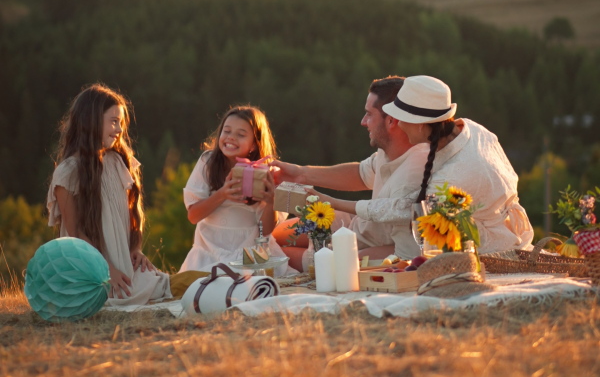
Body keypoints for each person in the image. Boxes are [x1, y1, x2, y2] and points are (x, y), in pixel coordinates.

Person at [324, 75, 534, 253]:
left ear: (421, 125)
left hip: (492, 250)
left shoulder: (456, 174)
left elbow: (402, 209)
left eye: (401, 118)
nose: (398, 124)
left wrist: (330, 201)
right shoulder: (471, 129)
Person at [273, 76, 428, 268]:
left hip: (367, 245)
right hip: (355, 225)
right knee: (276, 237)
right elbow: (360, 174)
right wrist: (300, 174)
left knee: (280, 255)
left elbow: (405, 252)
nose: (363, 122)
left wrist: (345, 258)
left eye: (369, 114)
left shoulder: (414, 172)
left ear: (391, 121)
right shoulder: (389, 150)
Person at [47, 84, 172, 306]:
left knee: (165, 286)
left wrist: (136, 249)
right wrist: (107, 272)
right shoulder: (67, 173)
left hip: (122, 264)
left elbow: (134, 213)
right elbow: (75, 235)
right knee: (122, 298)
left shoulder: (118, 162)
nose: (120, 129)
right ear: (90, 121)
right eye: (114, 121)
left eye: (121, 123)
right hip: (92, 268)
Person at [180, 106, 292, 275]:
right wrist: (222, 194)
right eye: (227, 131)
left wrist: (271, 202)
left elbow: (266, 230)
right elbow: (193, 216)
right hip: (209, 252)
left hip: (248, 252)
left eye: (240, 134)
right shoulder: (207, 162)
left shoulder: (265, 172)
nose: (231, 138)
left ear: (254, 144)